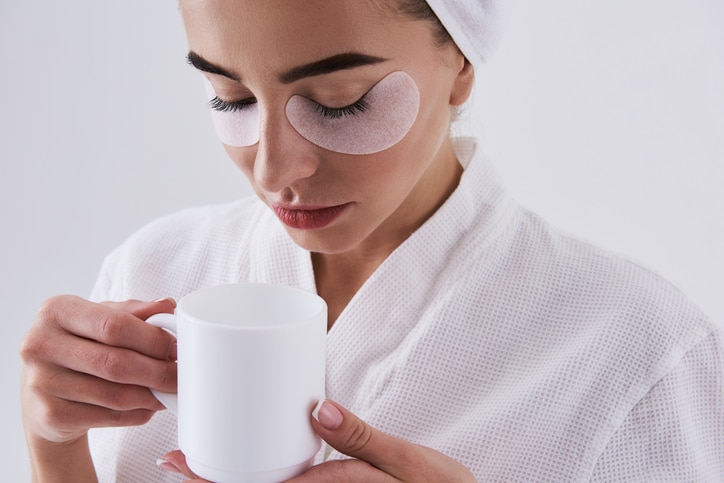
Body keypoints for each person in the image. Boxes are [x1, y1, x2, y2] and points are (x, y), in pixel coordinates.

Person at [20, 0, 723, 481]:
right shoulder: (155, 268)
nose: (272, 170)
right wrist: (55, 453)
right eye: (229, 97)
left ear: (462, 63)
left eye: (340, 101)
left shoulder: (635, 353)